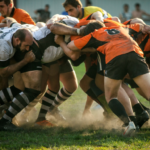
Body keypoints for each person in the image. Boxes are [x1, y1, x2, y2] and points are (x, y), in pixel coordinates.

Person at [62, 0, 112, 117]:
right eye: (67, 11)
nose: (69, 14)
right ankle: (108, 110)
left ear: (79, 7)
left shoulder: (91, 12)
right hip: (99, 51)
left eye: (71, 10)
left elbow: (98, 16)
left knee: (112, 86)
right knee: (87, 83)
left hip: (109, 51)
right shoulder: (78, 21)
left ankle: (126, 114)